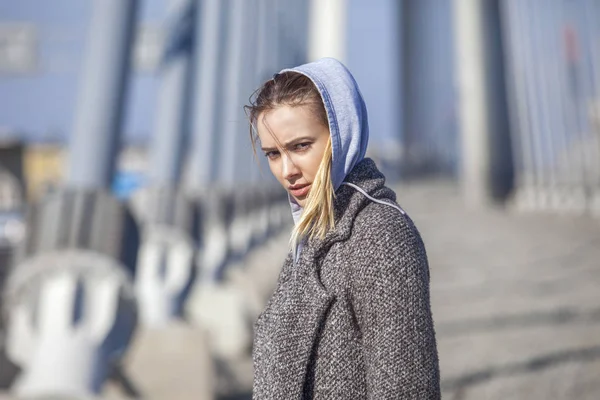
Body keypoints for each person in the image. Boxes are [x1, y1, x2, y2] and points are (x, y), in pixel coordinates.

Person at [245, 58, 440, 399]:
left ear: (340, 134)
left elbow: (406, 389)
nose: (287, 170)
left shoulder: (381, 235)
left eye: (301, 146)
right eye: (273, 154)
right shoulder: (312, 236)